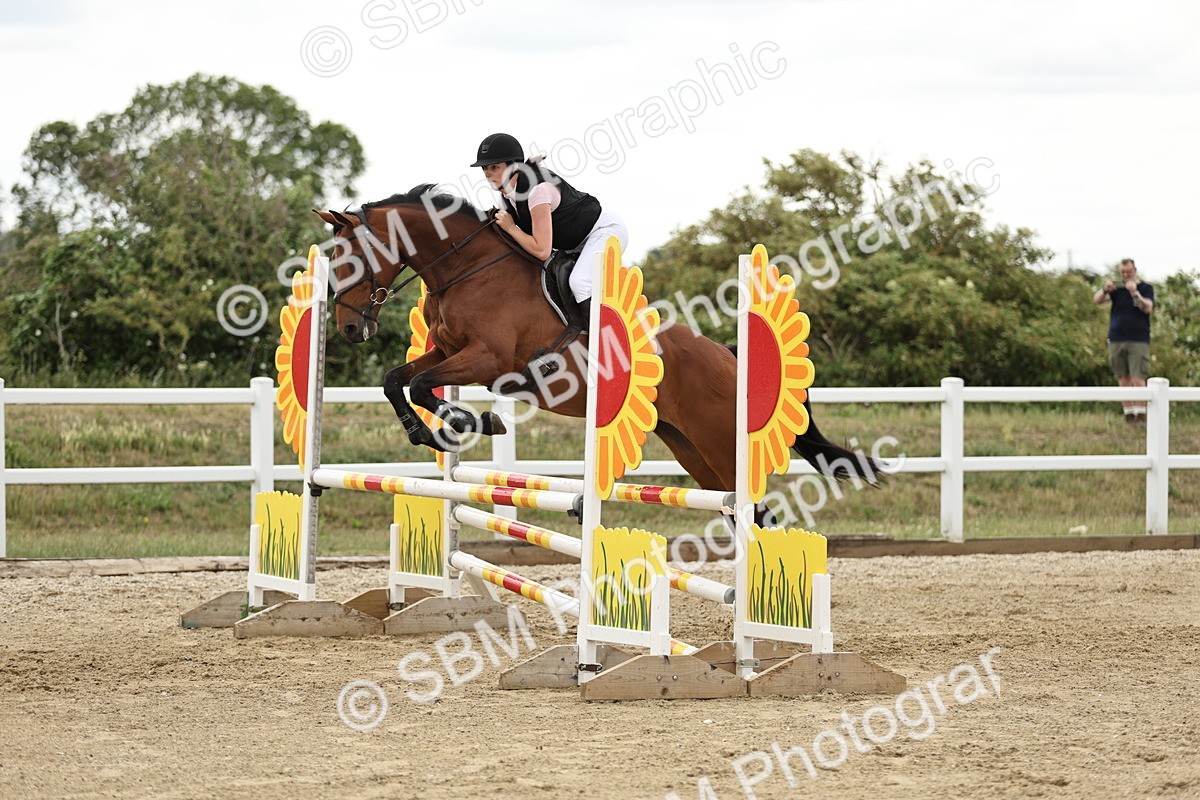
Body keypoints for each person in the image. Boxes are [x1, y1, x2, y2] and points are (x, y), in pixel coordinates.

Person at [470, 132, 628, 332]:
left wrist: (510, 228)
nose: (487, 173)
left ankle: (605, 345)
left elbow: (542, 250)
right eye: (485, 168)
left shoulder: (538, 191)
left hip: (603, 231)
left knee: (580, 282)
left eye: (494, 167)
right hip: (573, 244)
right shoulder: (507, 198)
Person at [1092, 258, 1155, 423]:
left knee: (1138, 377)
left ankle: (1140, 415)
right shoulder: (1117, 289)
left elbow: (1147, 308)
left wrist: (1135, 293)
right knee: (1123, 378)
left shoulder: (1146, 288)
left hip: (1138, 339)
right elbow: (1097, 300)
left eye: (1129, 272)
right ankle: (1129, 414)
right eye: (1123, 272)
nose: (1126, 275)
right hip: (1116, 338)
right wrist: (1105, 290)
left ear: (1135, 270)